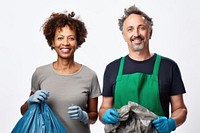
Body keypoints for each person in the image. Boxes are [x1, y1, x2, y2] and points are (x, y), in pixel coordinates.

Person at [99, 5, 187, 133]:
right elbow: (103, 108)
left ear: (150, 33)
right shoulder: (112, 68)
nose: (136, 34)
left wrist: (171, 122)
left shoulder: (168, 66)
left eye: (141, 28)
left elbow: (180, 109)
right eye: (130, 29)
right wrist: (105, 115)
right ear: (124, 35)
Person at [20, 11, 101, 133]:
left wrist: (84, 116)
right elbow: (24, 112)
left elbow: (94, 116)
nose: (66, 43)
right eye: (60, 38)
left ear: (77, 41)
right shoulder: (40, 73)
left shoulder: (89, 75)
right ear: (52, 41)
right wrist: (30, 101)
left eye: (71, 38)